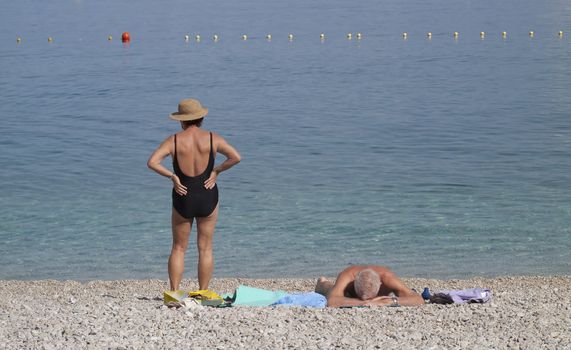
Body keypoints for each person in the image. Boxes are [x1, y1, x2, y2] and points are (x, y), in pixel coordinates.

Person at [147, 98, 241, 291]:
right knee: (205, 248)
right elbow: (235, 157)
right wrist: (216, 171)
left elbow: (153, 162)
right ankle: (203, 292)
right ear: (200, 119)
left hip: (183, 196)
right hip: (208, 195)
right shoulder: (213, 138)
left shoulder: (173, 140)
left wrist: (173, 177)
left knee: (178, 248)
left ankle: (174, 293)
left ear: (181, 121)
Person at [315, 265, 424, 307]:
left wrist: (390, 301)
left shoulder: (387, 277)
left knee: (341, 293)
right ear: (354, 284)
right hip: (346, 290)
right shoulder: (348, 276)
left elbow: (418, 299)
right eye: (360, 296)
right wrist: (366, 303)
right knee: (329, 290)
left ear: (380, 285)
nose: (364, 299)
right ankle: (322, 282)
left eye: (370, 297)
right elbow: (332, 301)